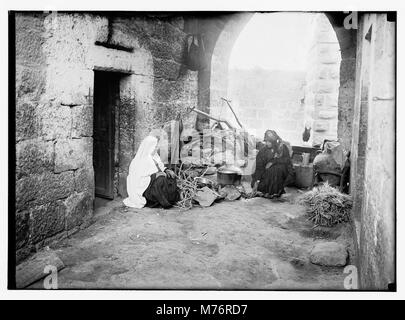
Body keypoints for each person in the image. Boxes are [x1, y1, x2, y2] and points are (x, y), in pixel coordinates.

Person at [123, 135, 180, 209]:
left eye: (156, 146)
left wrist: (167, 170)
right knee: (160, 180)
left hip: (155, 182)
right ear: (149, 147)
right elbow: (138, 180)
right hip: (145, 188)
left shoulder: (154, 157)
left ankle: (170, 199)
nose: (156, 149)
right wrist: (155, 176)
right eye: (155, 147)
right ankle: (161, 201)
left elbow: (160, 167)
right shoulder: (139, 160)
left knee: (171, 177)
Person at [251, 130, 294, 198]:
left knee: (277, 168)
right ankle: (271, 190)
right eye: (266, 141)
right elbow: (259, 167)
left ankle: (275, 191)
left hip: (282, 172)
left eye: (269, 142)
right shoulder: (263, 151)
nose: (267, 143)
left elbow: (287, 161)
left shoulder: (282, 148)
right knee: (259, 186)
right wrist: (257, 181)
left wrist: (273, 162)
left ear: (274, 142)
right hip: (265, 173)